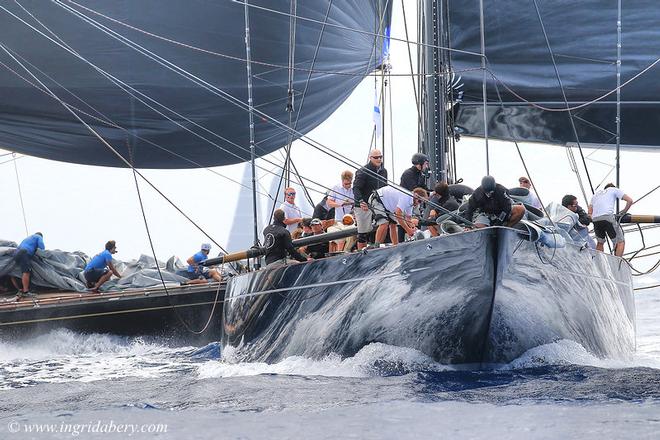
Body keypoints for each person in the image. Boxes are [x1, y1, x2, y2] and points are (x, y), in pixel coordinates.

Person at [353, 149, 388, 250]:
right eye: (376, 157)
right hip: (364, 203)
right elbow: (356, 188)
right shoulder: (363, 171)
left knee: (384, 222)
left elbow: (385, 187)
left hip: (378, 203)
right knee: (363, 233)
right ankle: (361, 253)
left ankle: (377, 247)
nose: (379, 159)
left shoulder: (383, 171)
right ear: (370, 158)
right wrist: (360, 201)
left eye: (380, 157)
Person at [588, 183, 633, 257]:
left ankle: (598, 261)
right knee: (620, 242)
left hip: (595, 219)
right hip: (607, 217)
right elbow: (630, 201)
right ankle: (617, 263)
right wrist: (624, 211)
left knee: (600, 242)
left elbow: (590, 211)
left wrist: (592, 216)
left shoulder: (596, 194)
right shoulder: (614, 189)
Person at [11, 232, 45, 298]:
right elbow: (41, 246)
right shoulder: (38, 236)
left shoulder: (28, 238)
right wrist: (43, 254)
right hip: (24, 252)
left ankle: (21, 289)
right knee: (26, 272)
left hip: (16, 253)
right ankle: (26, 292)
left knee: (22, 271)